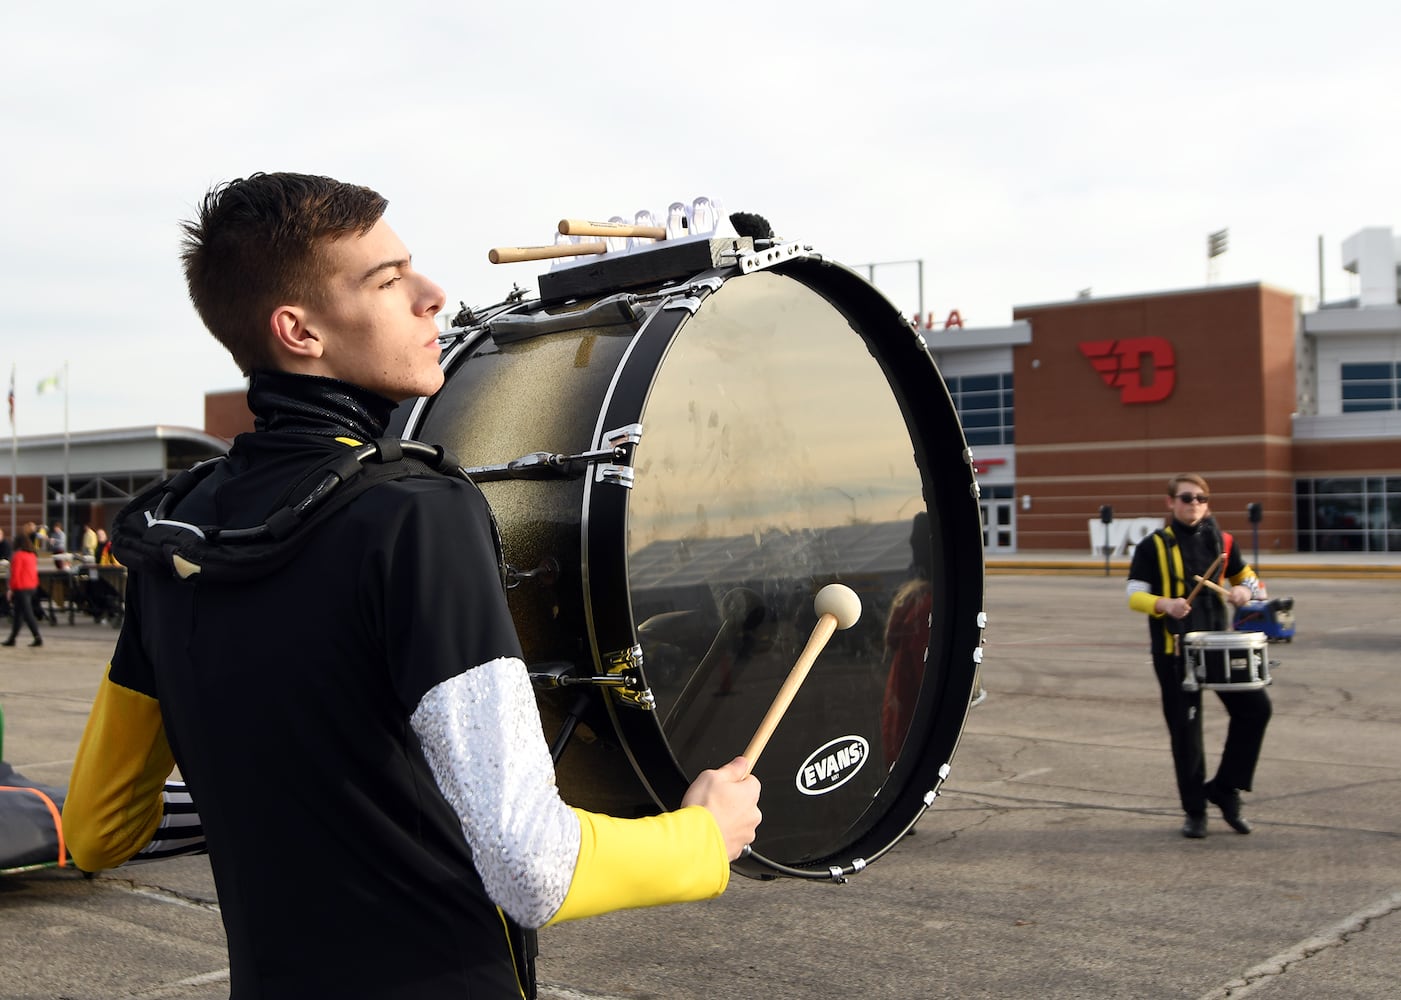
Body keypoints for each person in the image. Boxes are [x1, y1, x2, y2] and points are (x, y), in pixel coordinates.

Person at [61, 172, 761, 999]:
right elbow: (532, 867)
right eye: (388, 282)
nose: (432, 297)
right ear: (299, 330)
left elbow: (101, 828)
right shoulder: (412, 513)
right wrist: (702, 837)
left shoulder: (178, 529)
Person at [1126, 473, 1271, 839]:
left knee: (1256, 709)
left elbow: (1251, 581)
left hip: (1220, 647)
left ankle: (1226, 788)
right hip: (1175, 652)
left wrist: (1244, 593)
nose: (1194, 505)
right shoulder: (1152, 546)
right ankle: (1195, 811)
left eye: (1201, 498)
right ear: (1170, 503)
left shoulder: (1223, 542)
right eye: (1187, 498)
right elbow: (1134, 594)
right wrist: (1165, 604)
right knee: (1186, 733)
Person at [4, 534, 43, 647]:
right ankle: (12, 638)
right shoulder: (32, 555)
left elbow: (15, 574)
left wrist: (10, 589)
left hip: (21, 587)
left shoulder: (18, 556)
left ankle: (37, 637)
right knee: (18, 614)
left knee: (27, 613)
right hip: (31, 586)